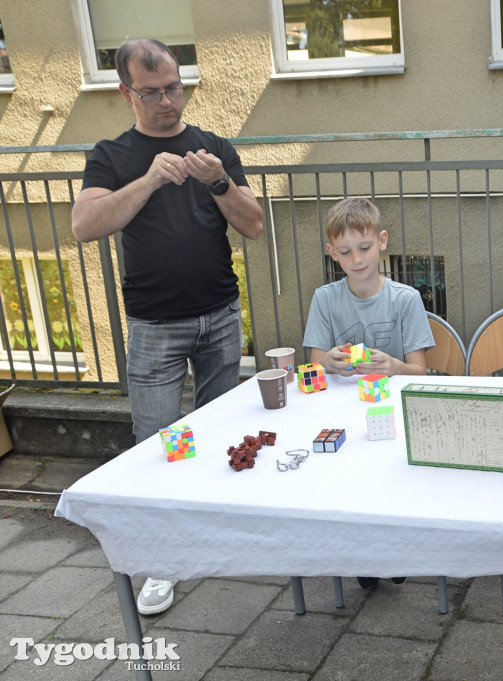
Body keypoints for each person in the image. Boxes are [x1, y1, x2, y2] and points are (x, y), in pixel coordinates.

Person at [70, 38, 264, 615]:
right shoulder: (112, 154)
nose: (166, 101)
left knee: (225, 430)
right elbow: (85, 225)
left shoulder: (214, 148)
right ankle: (160, 563)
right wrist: (152, 179)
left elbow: (253, 225)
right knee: (158, 446)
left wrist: (219, 183)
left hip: (221, 315)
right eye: (151, 92)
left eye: (174, 87)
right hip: (154, 325)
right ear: (127, 93)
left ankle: (219, 538)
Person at [302, 197, 434, 589]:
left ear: (382, 242)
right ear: (332, 253)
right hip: (341, 411)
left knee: (388, 477)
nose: (356, 259)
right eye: (345, 252)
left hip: (389, 411)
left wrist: (392, 366)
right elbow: (314, 361)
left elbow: (418, 371)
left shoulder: (405, 299)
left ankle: (391, 547)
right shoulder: (325, 298)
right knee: (347, 478)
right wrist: (333, 362)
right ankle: (364, 552)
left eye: (364, 248)